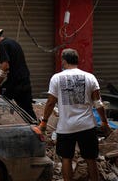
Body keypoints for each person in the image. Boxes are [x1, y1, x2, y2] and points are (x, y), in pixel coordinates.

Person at [39, 48, 111, 181]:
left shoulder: (56, 78)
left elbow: (50, 103)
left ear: (64, 61)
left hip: (66, 127)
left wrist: (44, 122)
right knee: (91, 159)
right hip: (87, 126)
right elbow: (98, 104)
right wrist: (104, 122)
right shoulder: (90, 77)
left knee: (66, 158)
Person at [0, 27, 37, 120]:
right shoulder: (12, 42)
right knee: (27, 108)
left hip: (15, 82)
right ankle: (36, 127)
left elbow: (5, 66)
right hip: (24, 79)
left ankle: (4, 123)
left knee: (1, 99)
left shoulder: (2, 44)